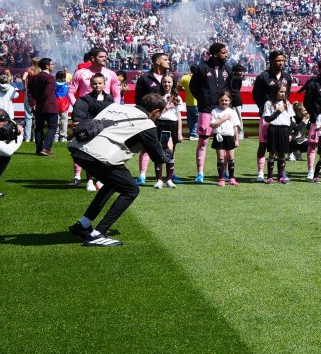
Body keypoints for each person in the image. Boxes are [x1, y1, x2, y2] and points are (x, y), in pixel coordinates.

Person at [67, 93, 171, 247]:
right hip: (96, 156)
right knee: (131, 190)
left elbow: (84, 99)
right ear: (156, 111)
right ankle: (97, 234)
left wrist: (78, 118)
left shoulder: (115, 107)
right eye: (160, 113)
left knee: (113, 183)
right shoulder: (147, 125)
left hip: (77, 148)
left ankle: (83, 224)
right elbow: (158, 157)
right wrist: (168, 152)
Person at [135, 54, 181, 187]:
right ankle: (142, 175)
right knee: (147, 147)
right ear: (158, 61)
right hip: (151, 119)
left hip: (169, 122)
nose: (168, 61)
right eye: (165, 59)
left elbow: (177, 107)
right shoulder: (145, 78)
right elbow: (138, 100)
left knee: (169, 149)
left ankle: (170, 176)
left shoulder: (171, 80)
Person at [189, 42, 232, 184]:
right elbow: (193, 87)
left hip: (222, 110)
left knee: (224, 142)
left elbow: (230, 88)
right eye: (223, 52)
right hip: (206, 110)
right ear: (214, 54)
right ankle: (200, 173)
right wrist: (203, 100)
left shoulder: (228, 69)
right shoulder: (202, 68)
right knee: (203, 141)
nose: (226, 55)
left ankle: (223, 172)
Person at [253, 51, 295, 184]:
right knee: (263, 144)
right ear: (271, 61)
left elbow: (287, 95)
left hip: (282, 119)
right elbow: (256, 94)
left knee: (282, 147)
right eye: (278, 60)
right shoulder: (263, 77)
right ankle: (260, 173)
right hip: (267, 116)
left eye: (283, 60)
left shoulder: (287, 77)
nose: (281, 63)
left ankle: (281, 173)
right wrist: (266, 108)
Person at [73, 72, 116, 189]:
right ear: (91, 85)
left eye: (100, 83)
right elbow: (79, 114)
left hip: (104, 131)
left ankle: (100, 180)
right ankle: (89, 180)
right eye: (95, 83)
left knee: (102, 157)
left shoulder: (110, 98)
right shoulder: (85, 99)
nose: (98, 86)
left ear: (104, 84)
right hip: (90, 131)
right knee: (90, 157)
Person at [27, 58, 60, 157]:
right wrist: (39, 101)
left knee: (39, 128)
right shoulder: (50, 78)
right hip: (49, 106)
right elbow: (47, 93)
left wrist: (34, 103)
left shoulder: (34, 78)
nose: (54, 65)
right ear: (47, 66)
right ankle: (46, 148)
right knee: (53, 127)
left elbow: (30, 93)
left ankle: (39, 149)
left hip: (38, 107)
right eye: (52, 64)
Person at [261, 90, 295, 184]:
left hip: (284, 130)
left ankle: (280, 176)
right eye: (280, 91)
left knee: (282, 154)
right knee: (272, 153)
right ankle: (270, 177)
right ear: (275, 91)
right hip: (273, 129)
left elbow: (291, 119)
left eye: (284, 92)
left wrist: (290, 133)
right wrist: (278, 111)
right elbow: (268, 119)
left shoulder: (287, 103)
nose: (283, 94)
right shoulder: (268, 103)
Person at [210, 92, 243, 186]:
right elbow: (213, 125)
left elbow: (235, 127)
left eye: (226, 100)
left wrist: (237, 139)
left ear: (230, 101)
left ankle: (231, 178)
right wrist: (224, 119)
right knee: (220, 157)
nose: (224, 102)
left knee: (231, 157)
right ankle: (221, 179)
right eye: (222, 100)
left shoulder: (232, 112)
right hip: (219, 136)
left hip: (229, 136)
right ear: (218, 100)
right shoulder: (214, 111)